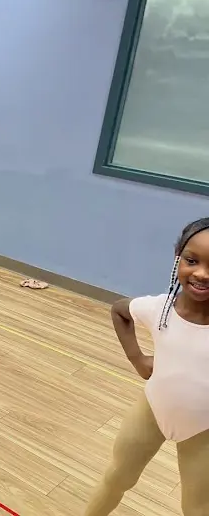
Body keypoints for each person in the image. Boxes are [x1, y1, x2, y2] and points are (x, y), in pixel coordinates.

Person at [84, 217, 209, 516]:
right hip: (152, 410)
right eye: (192, 260)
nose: (202, 274)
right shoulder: (159, 308)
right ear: (178, 258)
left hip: (203, 429)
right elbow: (119, 311)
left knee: (197, 508)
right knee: (117, 478)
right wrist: (137, 359)